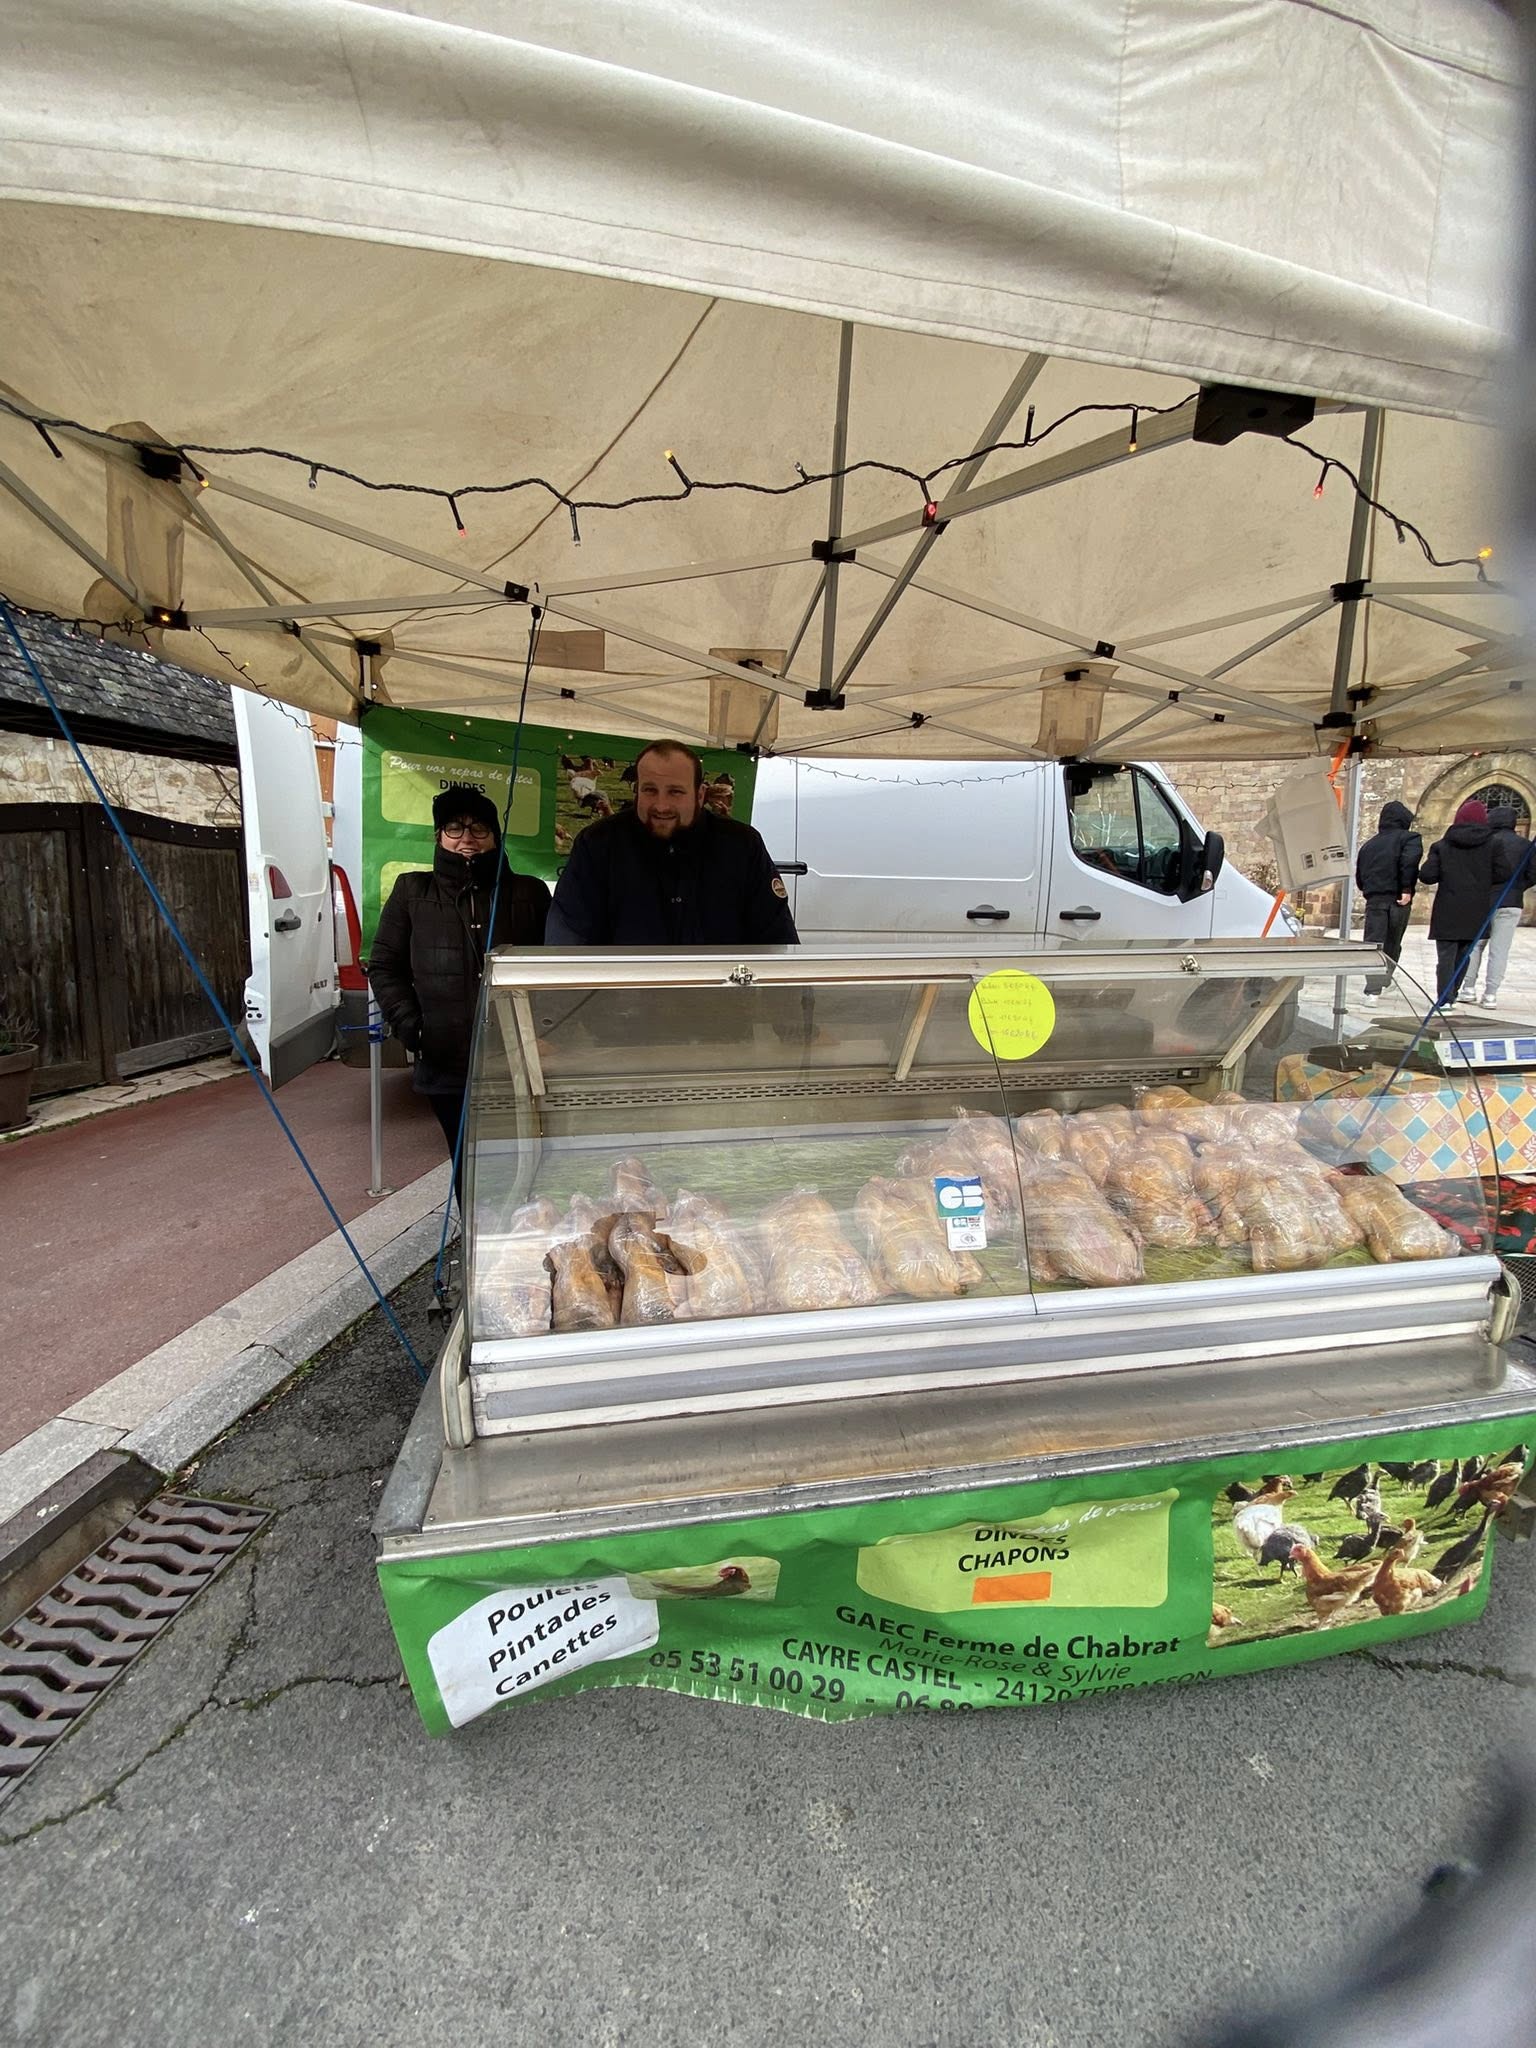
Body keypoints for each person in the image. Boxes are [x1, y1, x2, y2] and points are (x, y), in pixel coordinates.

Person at [368, 784, 550, 1180]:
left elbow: (551, 970)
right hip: (446, 1063)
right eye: (455, 827)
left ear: (495, 836)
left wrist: (546, 1030)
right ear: (439, 836)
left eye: (479, 827)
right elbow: (384, 966)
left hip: (517, 1058)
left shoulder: (529, 893)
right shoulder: (411, 891)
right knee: (467, 1167)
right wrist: (413, 1028)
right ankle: (472, 1221)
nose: (467, 837)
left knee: (526, 1162)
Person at [546, 740, 799, 945]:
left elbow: (777, 942)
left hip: (721, 993)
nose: (661, 805)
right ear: (637, 790)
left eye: (675, 792)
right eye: (650, 790)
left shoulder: (742, 846)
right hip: (621, 993)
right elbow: (567, 943)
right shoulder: (597, 845)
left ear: (700, 794)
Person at [1417, 799, 1516, 1009]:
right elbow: (1504, 873)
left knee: (1446, 956)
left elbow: (1427, 875)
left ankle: (1444, 998)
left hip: (1448, 907)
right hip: (1476, 908)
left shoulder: (1442, 846)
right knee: (1464, 955)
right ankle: (1452, 994)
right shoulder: (1493, 845)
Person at [1354, 800, 1420, 1003]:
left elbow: (1360, 874)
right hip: (1397, 898)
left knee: (1374, 944)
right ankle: (1383, 980)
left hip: (1375, 898)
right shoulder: (1409, 839)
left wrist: (1370, 890)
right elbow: (1409, 863)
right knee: (1392, 944)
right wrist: (1406, 888)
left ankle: (1373, 990)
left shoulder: (1369, 845)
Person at [1474, 805, 1533, 1008]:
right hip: (1511, 900)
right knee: (1499, 950)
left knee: (1476, 945)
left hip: (1483, 899)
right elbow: (1533, 874)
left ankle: (1467, 988)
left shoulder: (1484, 843)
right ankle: (1491, 994)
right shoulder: (1525, 845)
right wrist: (1518, 887)